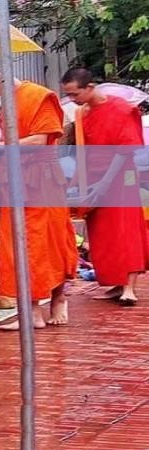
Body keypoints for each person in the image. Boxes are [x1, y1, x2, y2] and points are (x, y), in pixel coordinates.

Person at [0, 58, 76, 326]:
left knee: (48, 242)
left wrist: (2, 146)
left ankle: (57, 300)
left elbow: (41, 140)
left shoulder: (39, 96)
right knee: (17, 244)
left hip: (43, 182)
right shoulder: (6, 103)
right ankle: (31, 311)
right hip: (16, 183)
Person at [62, 67, 149, 305]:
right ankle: (117, 283)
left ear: (89, 87)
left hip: (121, 176)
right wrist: (80, 183)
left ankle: (130, 287)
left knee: (125, 228)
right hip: (94, 178)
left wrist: (104, 184)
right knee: (102, 234)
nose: (72, 100)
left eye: (74, 94)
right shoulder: (82, 114)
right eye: (68, 95)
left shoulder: (123, 109)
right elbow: (82, 151)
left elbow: (125, 149)